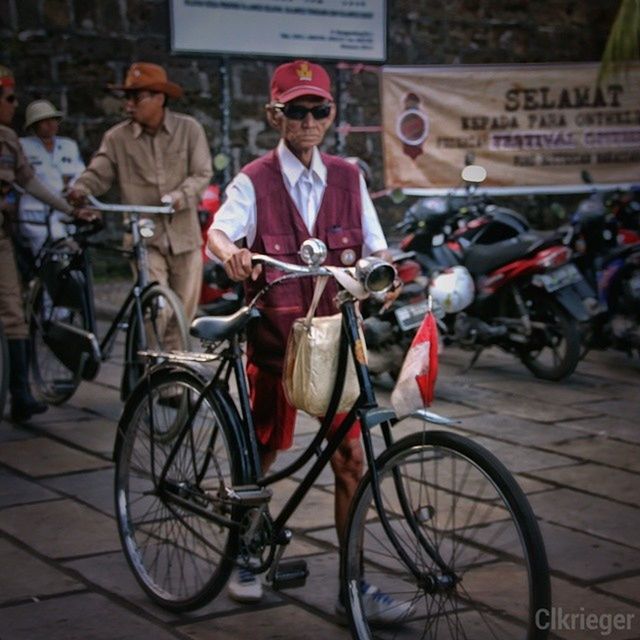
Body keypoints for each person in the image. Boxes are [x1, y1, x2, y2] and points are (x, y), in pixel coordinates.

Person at [207, 59, 410, 623]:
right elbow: (219, 230)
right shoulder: (253, 178)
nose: (307, 120)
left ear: (331, 114)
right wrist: (232, 253)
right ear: (275, 114)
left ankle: (353, 587)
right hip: (277, 341)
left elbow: (377, 246)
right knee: (264, 451)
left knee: (351, 461)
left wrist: (383, 275)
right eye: (295, 110)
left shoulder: (349, 176)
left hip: (338, 342)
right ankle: (247, 547)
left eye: (317, 109)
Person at [67, 62, 213, 340]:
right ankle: (152, 371)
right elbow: (98, 171)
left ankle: (175, 376)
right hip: (146, 240)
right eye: (127, 98)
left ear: (160, 98)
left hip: (185, 236)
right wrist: (82, 189)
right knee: (157, 309)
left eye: (137, 97)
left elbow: (202, 172)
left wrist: (179, 196)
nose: (129, 105)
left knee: (183, 315)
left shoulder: (189, 129)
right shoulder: (117, 138)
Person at [0, 65, 91, 422]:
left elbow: (32, 182)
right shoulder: (20, 140)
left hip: (3, 237)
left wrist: (71, 209)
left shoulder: (8, 141)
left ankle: (20, 392)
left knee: (13, 310)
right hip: (28, 226)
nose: (14, 104)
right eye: (9, 98)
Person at [17, 99, 85, 267]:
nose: (50, 125)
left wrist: (73, 189)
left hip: (65, 211)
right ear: (34, 125)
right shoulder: (23, 146)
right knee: (47, 263)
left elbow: (80, 174)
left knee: (70, 258)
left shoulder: (69, 145)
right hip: (36, 213)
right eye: (44, 122)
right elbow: (22, 180)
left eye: (52, 120)